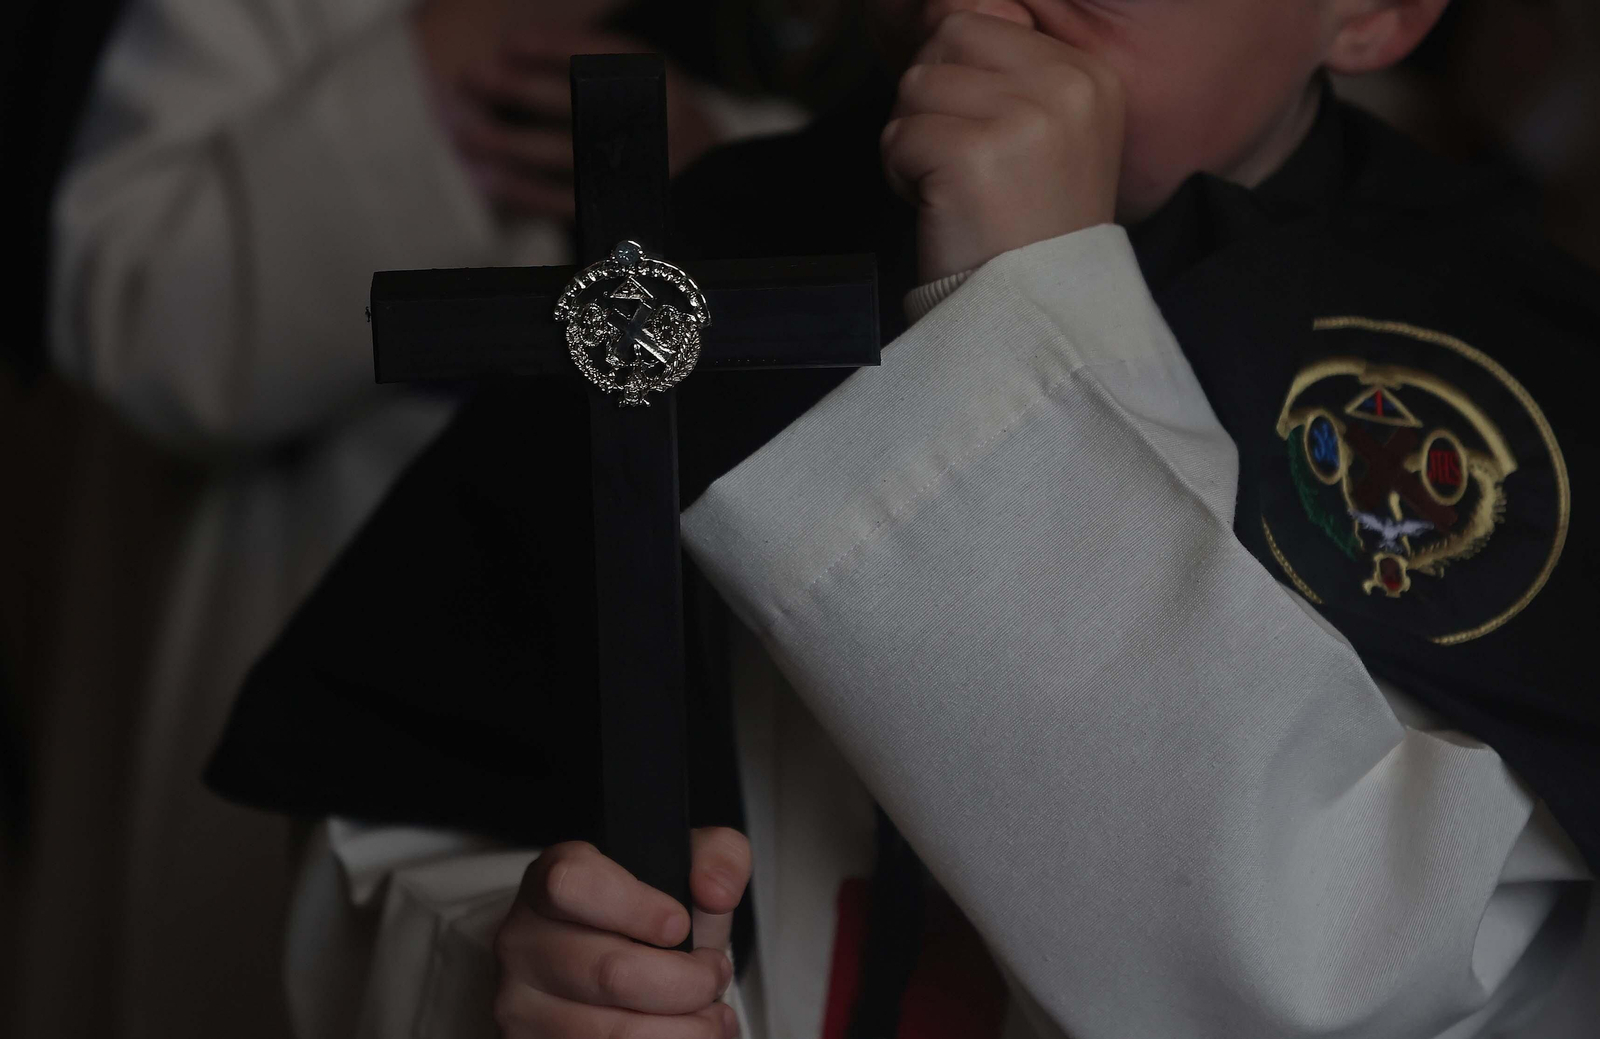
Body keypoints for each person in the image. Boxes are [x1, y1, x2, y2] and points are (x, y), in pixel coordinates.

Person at [206, 0, 1598, 1036]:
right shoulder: (726, 246)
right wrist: (535, 975)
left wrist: (1023, 316)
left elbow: (1378, 970)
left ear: (1371, 13)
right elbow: (407, 808)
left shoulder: (1496, 367)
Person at [24, 0, 803, 1036]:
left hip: (686, 638)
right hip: (316, 593)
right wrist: (427, 70)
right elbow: (135, 315)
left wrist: (718, 176)